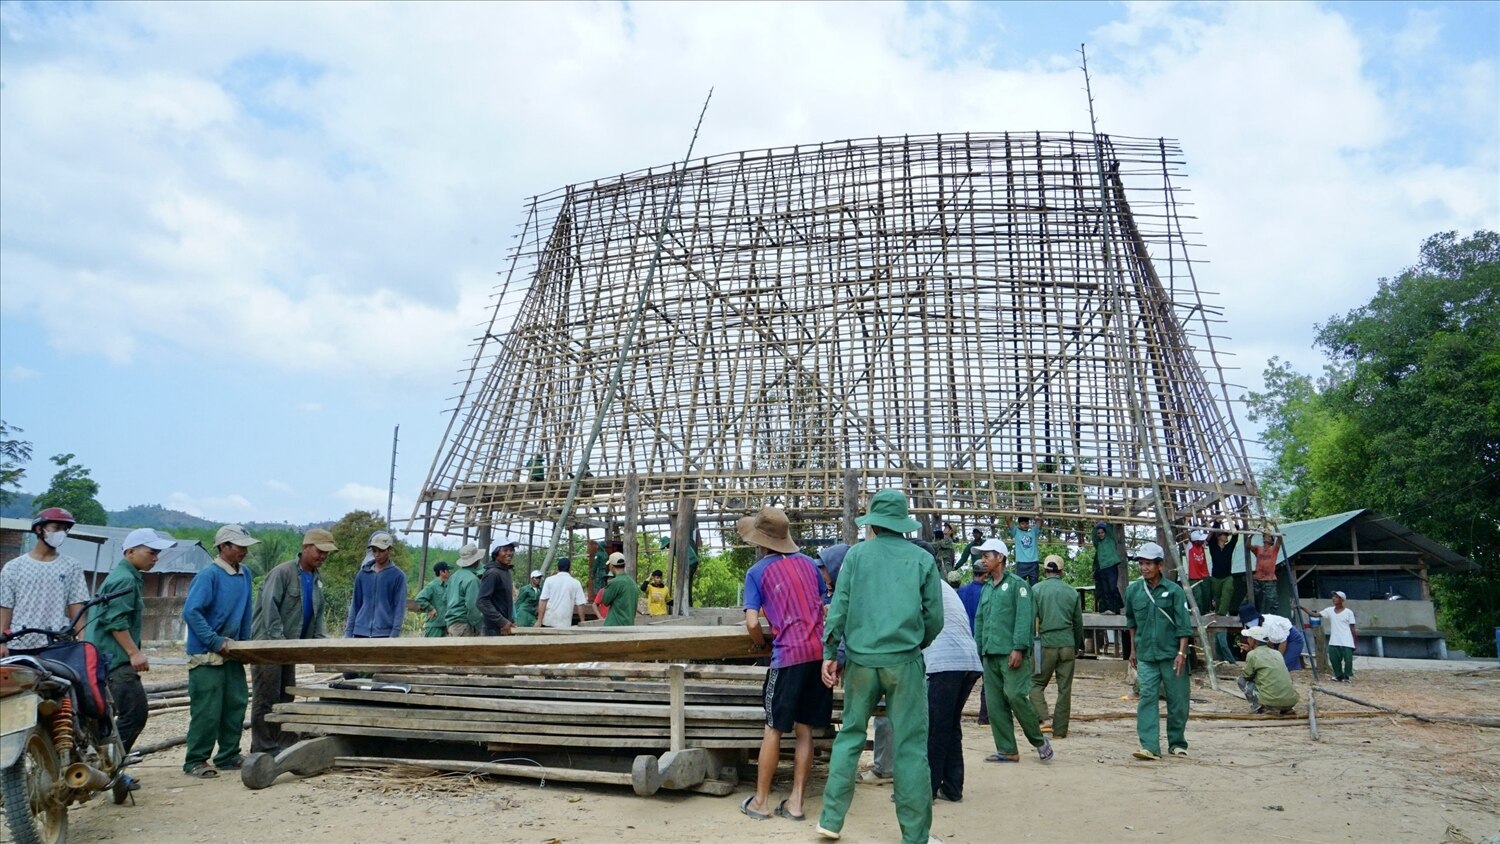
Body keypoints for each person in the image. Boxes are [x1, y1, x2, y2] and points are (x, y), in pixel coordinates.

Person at [817, 489, 942, 844]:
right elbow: (935, 617)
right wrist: (917, 643)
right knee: (911, 747)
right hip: (904, 662)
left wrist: (830, 651)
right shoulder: (921, 560)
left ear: (872, 523)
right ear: (903, 524)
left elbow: (838, 609)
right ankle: (915, 835)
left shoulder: (856, 557)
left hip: (860, 662)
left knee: (850, 736)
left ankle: (830, 820)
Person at [736, 507, 828, 825]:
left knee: (773, 729)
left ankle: (760, 802)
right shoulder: (809, 565)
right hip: (817, 656)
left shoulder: (757, 572)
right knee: (804, 730)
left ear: (761, 542)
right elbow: (825, 608)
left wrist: (761, 643)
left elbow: (751, 621)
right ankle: (797, 803)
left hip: (787, 656)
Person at [87, 527, 176, 773]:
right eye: (151, 552)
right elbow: (116, 621)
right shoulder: (124, 578)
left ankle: (110, 765)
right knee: (135, 713)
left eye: (157, 553)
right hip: (114, 660)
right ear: (130, 552)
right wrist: (134, 653)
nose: (155, 558)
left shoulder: (128, 575)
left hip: (108, 658)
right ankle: (109, 768)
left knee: (111, 717)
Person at [250, 528, 337, 754]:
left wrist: (322, 644)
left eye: (326, 554)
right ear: (305, 547)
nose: (323, 557)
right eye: (319, 551)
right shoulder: (282, 573)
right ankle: (262, 746)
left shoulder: (316, 579)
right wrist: (280, 645)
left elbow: (317, 616)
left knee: (286, 695)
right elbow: (270, 611)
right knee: (266, 697)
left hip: (289, 648)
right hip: (269, 647)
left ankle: (282, 743)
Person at [181, 525, 258, 778]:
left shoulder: (244, 574)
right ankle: (196, 759)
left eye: (245, 546)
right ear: (223, 547)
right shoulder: (209, 575)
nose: (244, 551)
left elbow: (246, 611)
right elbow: (192, 611)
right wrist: (213, 641)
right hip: (207, 653)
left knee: (235, 703)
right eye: (239, 546)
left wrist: (245, 645)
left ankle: (228, 754)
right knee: (207, 709)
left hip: (233, 651)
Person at [974, 538, 1053, 764]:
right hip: (990, 654)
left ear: (1000, 557)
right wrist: (978, 650)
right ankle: (1007, 750)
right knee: (995, 703)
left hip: (1010, 653)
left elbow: (1023, 618)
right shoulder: (987, 587)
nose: (983, 560)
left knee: (1016, 696)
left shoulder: (1018, 585)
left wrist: (1019, 648)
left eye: (987, 556)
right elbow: (980, 620)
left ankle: (1039, 741)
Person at [1125, 541, 1193, 761]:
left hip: (1172, 655)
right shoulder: (1133, 591)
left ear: (1160, 565)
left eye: (1148, 564)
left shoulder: (1174, 591)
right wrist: (1132, 651)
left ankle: (1177, 743)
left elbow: (1184, 626)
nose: (1144, 568)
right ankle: (1150, 747)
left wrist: (1182, 654)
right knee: (1147, 698)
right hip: (1146, 656)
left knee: (1178, 700)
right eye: (1141, 563)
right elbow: (1131, 623)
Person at [926, 567, 983, 802]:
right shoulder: (944, 587)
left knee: (936, 729)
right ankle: (952, 787)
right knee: (950, 726)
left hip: (946, 662)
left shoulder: (922, 586)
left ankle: (925, 789)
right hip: (967, 661)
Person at [0, 507, 89, 655]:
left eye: (64, 529)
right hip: (18, 643)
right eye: (56, 528)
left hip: (57, 643)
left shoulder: (72, 566)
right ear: (39, 529)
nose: (61, 533)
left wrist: (82, 640)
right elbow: (5, 607)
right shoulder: (14, 567)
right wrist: (2, 641)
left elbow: (76, 605)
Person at [1030, 555, 1083, 739]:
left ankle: (1044, 720)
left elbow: (1031, 620)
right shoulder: (1071, 592)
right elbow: (1078, 623)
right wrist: (1077, 645)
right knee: (1064, 689)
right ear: (1061, 571)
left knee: (1035, 684)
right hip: (1068, 643)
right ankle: (1060, 731)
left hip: (1046, 643)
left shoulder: (1036, 590)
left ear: (1045, 570)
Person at [345, 531, 407, 638]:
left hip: (384, 634)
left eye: (381, 551)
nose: (377, 554)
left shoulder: (398, 576)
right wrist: (348, 632)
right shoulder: (362, 575)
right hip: (360, 632)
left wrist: (394, 634)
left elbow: (399, 608)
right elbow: (355, 604)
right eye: (374, 550)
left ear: (389, 550)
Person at [956, 557, 990, 726]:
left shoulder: (961, 591)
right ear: (985, 575)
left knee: (966, 681)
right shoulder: (988, 592)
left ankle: (954, 713)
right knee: (988, 682)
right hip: (984, 641)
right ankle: (984, 718)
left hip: (965, 642)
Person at [1237, 626, 1299, 714]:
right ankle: (1286, 708)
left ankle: (1258, 708)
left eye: (1249, 638)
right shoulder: (1277, 653)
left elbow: (1247, 676)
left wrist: (1250, 653)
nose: (1247, 640)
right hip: (1291, 702)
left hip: (1271, 702)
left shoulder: (1252, 655)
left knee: (1241, 680)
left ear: (1253, 640)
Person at [1238, 604, 1306, 673]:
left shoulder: (1270, 625)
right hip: (1275, 641)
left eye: (1248, 620)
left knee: (1282, 666)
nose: (1247, 623)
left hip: (1292, 639)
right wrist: (1250, 648)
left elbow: (1283, 642)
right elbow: (1267, 644)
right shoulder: (1252, 627)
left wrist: (1277, 660)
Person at [1207, 523, 1241, 661]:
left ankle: (1221, 614)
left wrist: (1235, 525)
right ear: (1219, 536)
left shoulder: (1229, 547)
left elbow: (1236, 536)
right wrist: (1216, 523)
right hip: (1215, 577)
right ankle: (1218, 613)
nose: (1226, 537)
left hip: (1227, 576)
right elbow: (1210, 538)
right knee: (1218, 597)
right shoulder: (1213, 546)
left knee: (1228, 591)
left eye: (1227, 535)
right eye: (1224, 534)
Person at [1308, 591, 1357, 682]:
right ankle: (1338, 675)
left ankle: (1346, 676)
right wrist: (1302, 608)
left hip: (1347, 640)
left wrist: (1355, 641)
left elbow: (1353, 628)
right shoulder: (1329, 610)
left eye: (1337, 597)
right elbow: (1315, 614)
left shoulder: (1348, 612)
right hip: (1334, 639)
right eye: (1333, 597)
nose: (1334, 598)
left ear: (1342, 600)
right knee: (1334, 658)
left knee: (1348, 660)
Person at [476, 537, 518, 636]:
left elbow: (503, 602)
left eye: (511, 550)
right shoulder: (493, 573)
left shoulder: (504, 571)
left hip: (504, 627)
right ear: (496, 553)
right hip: (493, 629)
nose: (509, 553)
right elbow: (482, 602)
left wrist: (509, 620)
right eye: (505, 550)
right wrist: (502, 621)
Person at [443, 543, 484, 636]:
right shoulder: (472, 580)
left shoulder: (453, 577)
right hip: (463, 624)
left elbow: (445, 598)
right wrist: (477, 627)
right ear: (476, 561)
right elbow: (473, 607)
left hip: (451, 623)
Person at [536, 558, 587, 628]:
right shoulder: (575, 583)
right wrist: (582, 621)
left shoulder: (549, 580)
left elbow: (543, 601)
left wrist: (539, 620)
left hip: (548, 622)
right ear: (569, 568)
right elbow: (580, 604)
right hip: (564, 624)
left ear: (557, 568)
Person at [1091, 522, 1124, 614]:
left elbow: (1109, 528)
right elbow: (1093, 536)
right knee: (1105, 589)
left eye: (1102, 532)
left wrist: (1104, 518)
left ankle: (1116, 608)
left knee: (1112, 587)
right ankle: (1108, 609)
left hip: (1112, 566)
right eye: (1099, 533)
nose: (1100, 534)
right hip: (1102, 568)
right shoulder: (1098, 544)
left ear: (1105, 533)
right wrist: (1095, 527)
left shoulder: (1110, 540)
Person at [414, 563, 452, 637]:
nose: (449, 572)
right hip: (434, 625)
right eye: (447, 570)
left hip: (444, 624)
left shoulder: (446, 586)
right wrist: (430, 608)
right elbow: (419, 598)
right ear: (441, 572)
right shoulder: (432, 585)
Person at [599, 554, 637, 626]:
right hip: (629, 625)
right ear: (624, 565)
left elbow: (605, 601)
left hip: (615, 626)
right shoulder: (632, 582)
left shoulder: (615, 582)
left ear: (611, 566)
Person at [1251, 530, 1282, 615]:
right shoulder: (1258, 549)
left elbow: (1280, 539)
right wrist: (1251, 536)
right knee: (1250, 598)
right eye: (1265, 536)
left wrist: (1276, 529)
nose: (1266, 537)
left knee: (1273, 602)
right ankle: (1250, 615)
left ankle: (1273, 618)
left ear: (1272, 540)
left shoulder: (1274, 549)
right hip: (1257, 578)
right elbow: (1248, 546)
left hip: (1269, 579)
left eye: (1268, 536)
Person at [1008, 515, 1042, 584]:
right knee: (1019, 585)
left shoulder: (1033, 532)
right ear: (1019, 524)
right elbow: (1008, 520)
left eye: (1027, 523)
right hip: (1021, 563)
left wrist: (1037, 517)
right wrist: (1013, 511)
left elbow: (1040, 522)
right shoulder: (1016, 531)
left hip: (1033, 563)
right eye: (1023, 524)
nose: (1025, 525)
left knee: (1034, 586)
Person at [1184, 529, 1211, 612]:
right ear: (1195, 541)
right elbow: (1185, 534)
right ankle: (1200, 615)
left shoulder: (1202, 545)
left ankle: (1206, 612)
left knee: (1207, 596)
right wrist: (1186, 520)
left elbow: (1210, 535)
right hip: (1194, 577)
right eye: (1200, 540)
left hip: (1205, 575)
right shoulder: (1189, 546)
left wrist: (1205, 521)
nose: (1202, 541)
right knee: (1198, 596)